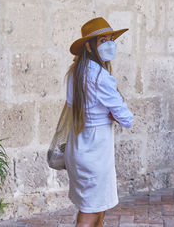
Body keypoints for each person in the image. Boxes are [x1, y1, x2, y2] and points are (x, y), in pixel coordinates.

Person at [65, 17, 134, 227]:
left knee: (96, 205)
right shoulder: (100, 77)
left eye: (111, 39)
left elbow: (71, 103)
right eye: (102, 40)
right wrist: (110, 113)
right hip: (96, 150)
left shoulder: (74, 72)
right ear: (89, 45)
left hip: (79, 144)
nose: (109, 44)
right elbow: (126, 118)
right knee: (91, 212)